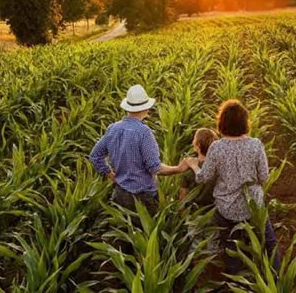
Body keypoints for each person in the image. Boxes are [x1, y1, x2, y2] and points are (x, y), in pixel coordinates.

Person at [185, 99, 280, 274]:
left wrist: (193, 166)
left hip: (226, 210)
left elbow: (203, 178)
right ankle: (275, 280)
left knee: (231, 248)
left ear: (222, 123)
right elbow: (264, 177)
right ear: (245, 122)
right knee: (270, 242)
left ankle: (237, 281)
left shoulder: (217, 148)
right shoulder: (256, 145)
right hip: (254, 207)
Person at [89, 84, 188, 215]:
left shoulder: (113, 128)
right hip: (143, 199)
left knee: (124, 232)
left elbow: (95, 156)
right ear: (146, 108)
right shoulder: (144, 133)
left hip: (119, 194)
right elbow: (155, 168)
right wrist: (178, 169)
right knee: (145, 233)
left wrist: (109, 174)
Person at [179, 128, 219, 206]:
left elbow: (182, 199)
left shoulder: (188, 169)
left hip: (192, 214)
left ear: (198, 145)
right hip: (214, 213)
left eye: (194, 139)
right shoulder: (219, 167)